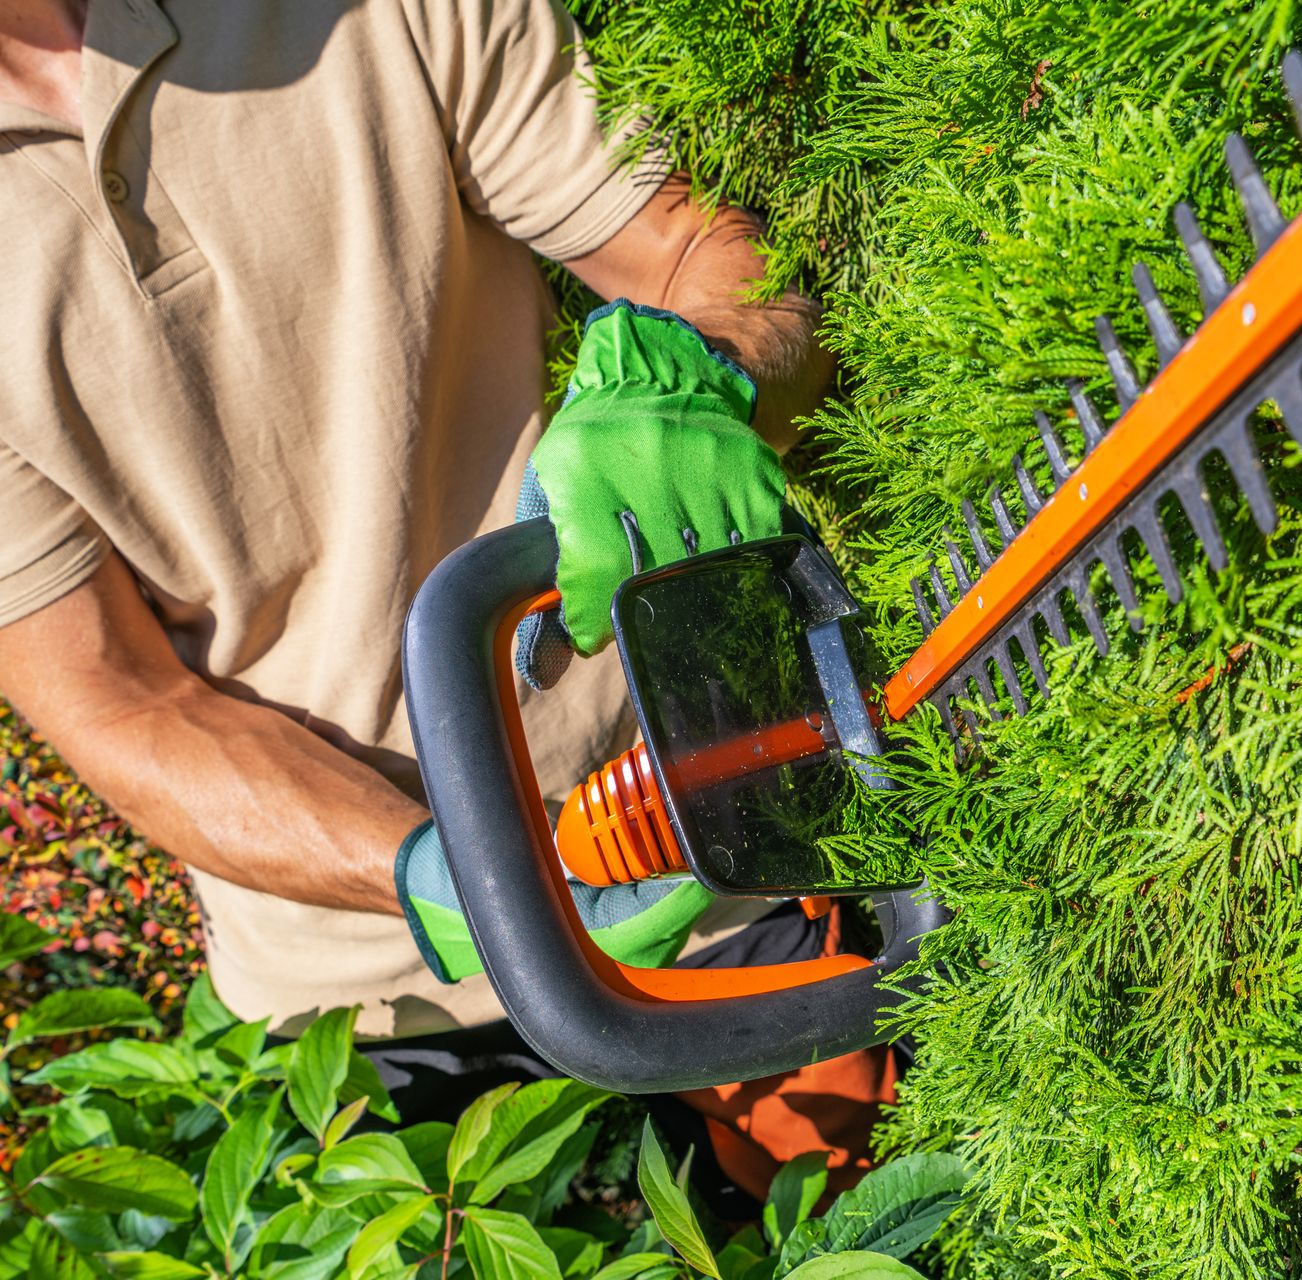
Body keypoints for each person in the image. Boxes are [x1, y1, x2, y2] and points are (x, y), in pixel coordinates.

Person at [0, 0, 888, 1198]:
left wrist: (703, 372)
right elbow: (117, 698)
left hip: (702, 824)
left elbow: (712, 262)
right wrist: (448, 874)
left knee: (884, 1212)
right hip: (370, 991)